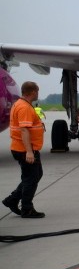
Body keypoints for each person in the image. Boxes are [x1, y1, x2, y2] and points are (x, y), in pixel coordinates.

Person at [3, 81, 46, 218]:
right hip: (24, 149)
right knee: (31, 178)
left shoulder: (21, 104)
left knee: (35, 175)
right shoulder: (24, 108)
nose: (38, 94)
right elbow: (24, 130)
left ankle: (12, 200)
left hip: (23, 148)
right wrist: (29, 151)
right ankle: (26, 208)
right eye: (37, 91)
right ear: (32, 92)